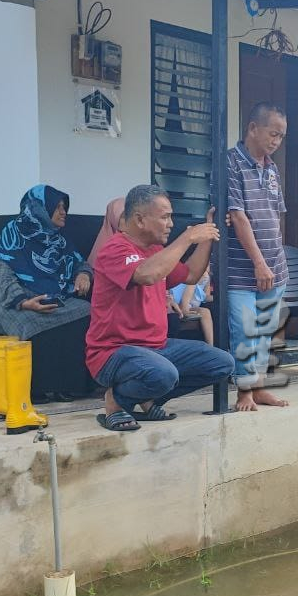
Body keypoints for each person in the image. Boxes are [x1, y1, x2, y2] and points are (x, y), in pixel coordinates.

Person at [85, 184, 234, 432]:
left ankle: (145, 397)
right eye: (165, 217)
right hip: (113, 352)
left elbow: (192, 274)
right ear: (140, 220)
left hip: (156, 348)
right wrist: (187, 238)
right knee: (163, 373)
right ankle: (116, 401)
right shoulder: (114, 248)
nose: (171, 223)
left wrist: (207, 236)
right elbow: (146, 274)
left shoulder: (156, 251)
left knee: (222, 363)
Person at [0, 184, 95, 400]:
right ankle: (34, 387)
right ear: (40, 208)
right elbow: (1, 275)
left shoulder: (58, 239)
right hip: (7, 297)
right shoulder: (13, 233)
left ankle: (65, 384)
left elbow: (81, 263)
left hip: (47, 296)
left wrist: (83, 275)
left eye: (65, 207)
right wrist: (24, 302)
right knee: (30, 320)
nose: (63, 212)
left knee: (85, 309)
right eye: (58, 207)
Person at [226, 102, 290, 412]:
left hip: (274, 266)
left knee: (265, 331)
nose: (277, 141)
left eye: (281, 136)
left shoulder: (273, 168)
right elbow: (237, 216)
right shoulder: (230, 163)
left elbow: (277, 216)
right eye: (273, 133)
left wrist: (274, 260)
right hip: (241, 269)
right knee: (244, 329)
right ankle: (244, 393)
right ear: (253, 128)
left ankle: (261, 387)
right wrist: (259, 262)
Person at [168, 266, 213, 345]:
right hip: (179, 306)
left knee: (206, 311)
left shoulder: (206, 278)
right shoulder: (190, 280)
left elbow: (205, 297)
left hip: (192, 306)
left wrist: (220, 297)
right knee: (205, 312)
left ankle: (211, 346)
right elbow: (184, 305)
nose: (206, 268)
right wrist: (196, 282)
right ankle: (211, 346)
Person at [87, 196, 125, 266]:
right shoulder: (104, 248)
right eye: (123, 216)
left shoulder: (140, 240)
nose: (127, 220)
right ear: (112, 217)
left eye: (130, 216)